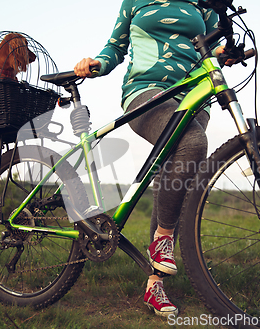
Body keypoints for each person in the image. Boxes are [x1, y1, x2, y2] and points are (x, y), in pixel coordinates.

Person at [75, 0, 227, 318]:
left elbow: (213, 45)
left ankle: (154, 283)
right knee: (193, 144)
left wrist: (226, 52)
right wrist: (96, 63)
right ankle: (161, 241)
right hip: (147, 91)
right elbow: (115, 48)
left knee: (172, 184)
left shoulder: (204, 2)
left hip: (195, 95)